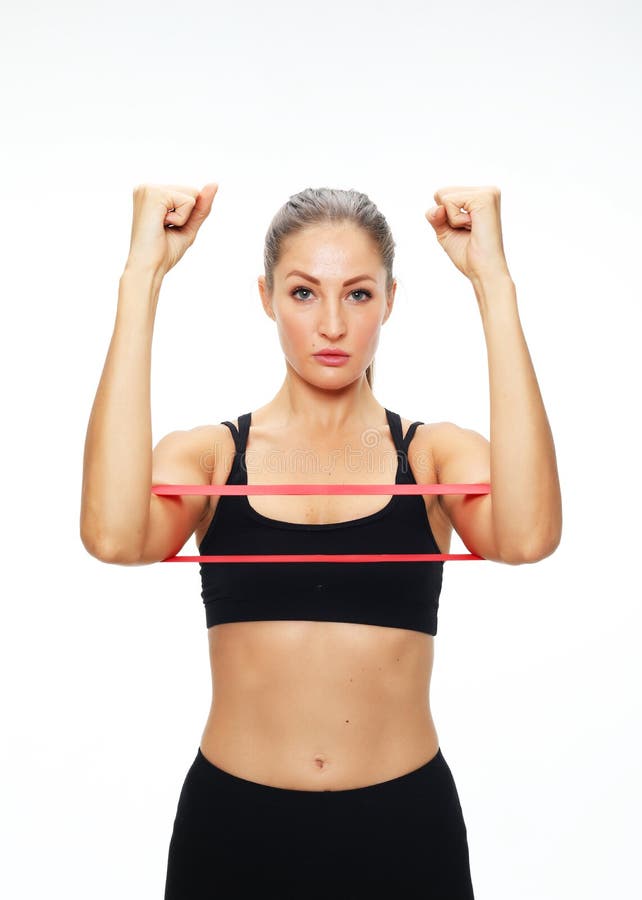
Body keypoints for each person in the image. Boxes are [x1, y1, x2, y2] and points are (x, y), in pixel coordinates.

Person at [80, 181, 562, 898]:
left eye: (358, 294)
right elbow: (115, 536)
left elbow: (527, 536)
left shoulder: (430, 456)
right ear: (267, 297)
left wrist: (493, 281)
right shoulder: (213, 457)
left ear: (390, 301)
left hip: (403, 829)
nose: (332, 324)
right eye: (305, 293)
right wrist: (141, 276)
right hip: (234, 830)